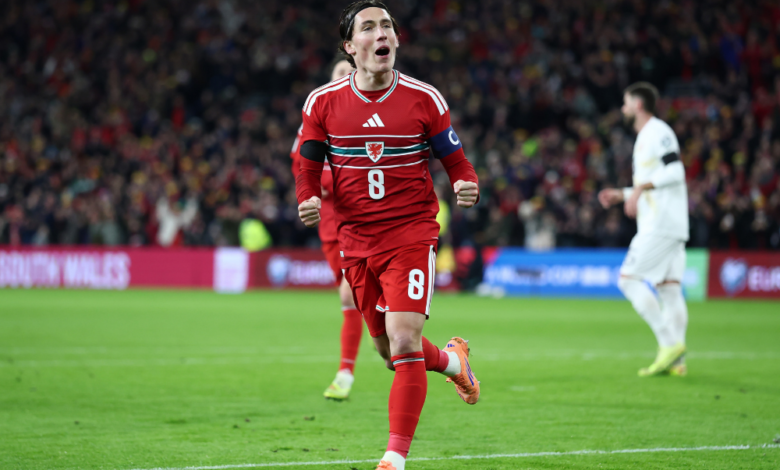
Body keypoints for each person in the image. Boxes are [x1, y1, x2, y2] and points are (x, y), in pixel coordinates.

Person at [296, 2, 480, 469]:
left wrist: (465, 181)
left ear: (395, 40)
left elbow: (455, 159)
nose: (382, 33)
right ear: (350, 45)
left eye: (387, 26)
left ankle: (394, 457)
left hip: (411, 234)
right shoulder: (322, 102)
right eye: (369, 27)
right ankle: (454, 362)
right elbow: (308, 163)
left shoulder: (425, 98)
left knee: (403, 339)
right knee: (388, 351)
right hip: (356, 241)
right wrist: (307, 196)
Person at [598, 82, 689, 377]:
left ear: (638, 104)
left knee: (628, 280)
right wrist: (623, 194)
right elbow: (655, 184)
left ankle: (669, 343)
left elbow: (675, 171)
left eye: (626, 103)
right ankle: (677, 362)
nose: (623, 109)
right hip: (671, 223)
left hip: (660, 224)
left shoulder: (658, 132)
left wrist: (637, 190)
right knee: (670, 290)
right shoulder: (646, 136)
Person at [291, 58, 364, 400]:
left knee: (350, 295)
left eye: (350, 72)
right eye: (339, 72)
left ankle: (345, 373)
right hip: (331, 230)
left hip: (364, 223)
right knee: (357, 300)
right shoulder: (315, 118)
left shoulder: (367, 120)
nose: (345, 76)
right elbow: (302, 166)